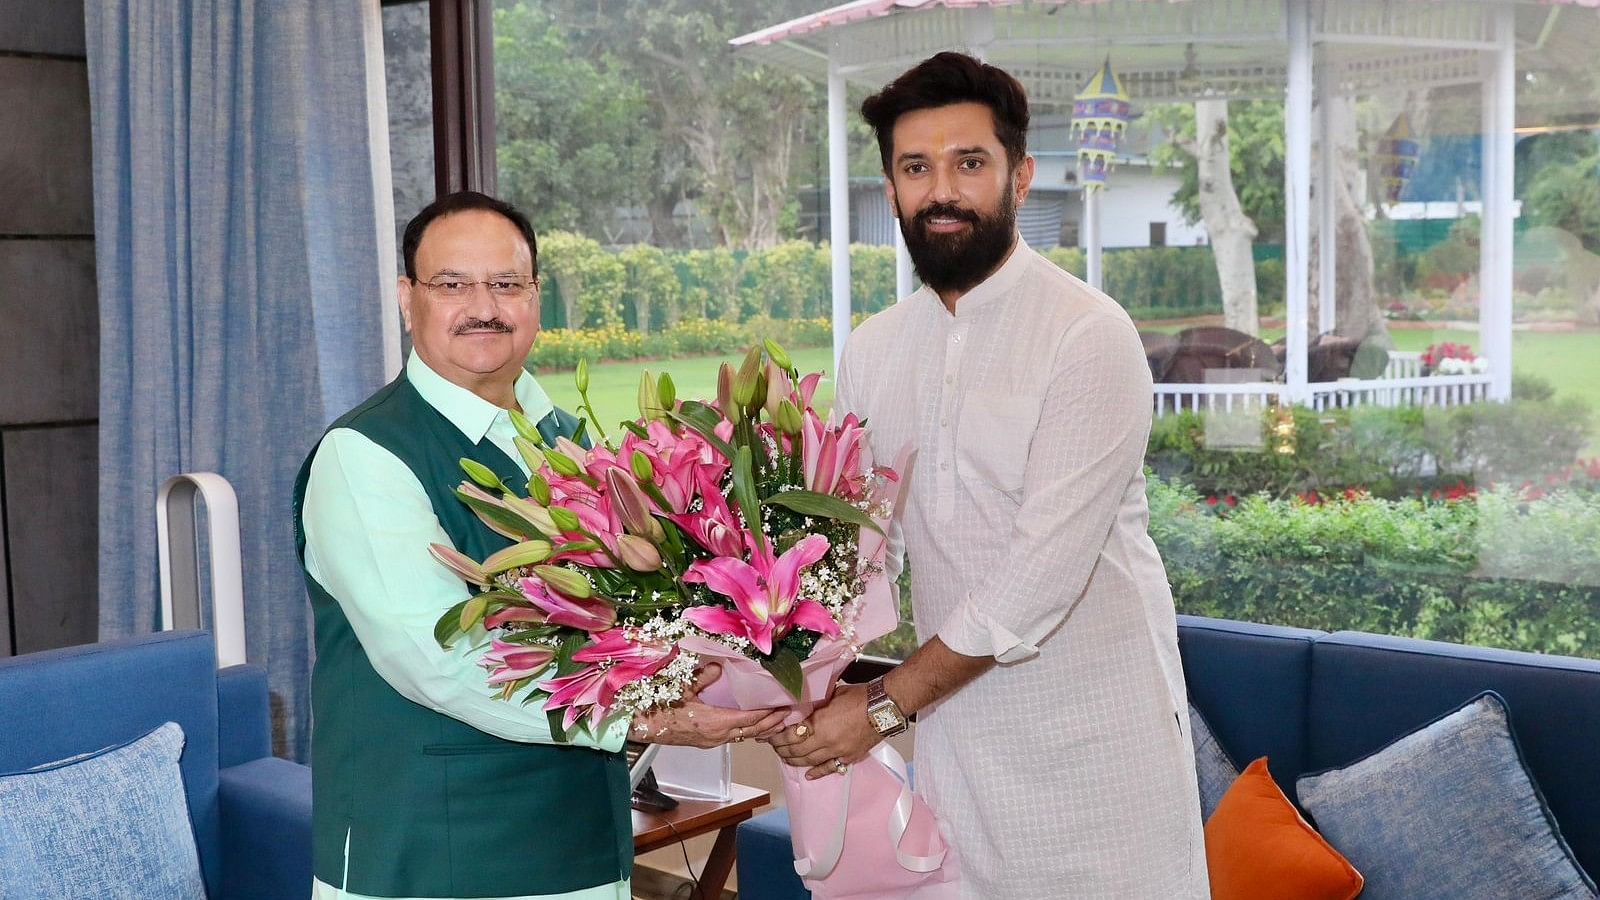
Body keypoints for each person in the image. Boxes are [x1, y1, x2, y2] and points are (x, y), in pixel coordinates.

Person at [767, 53, 1209, 898]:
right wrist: (777, 670)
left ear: (1020, 175)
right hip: (958, 748)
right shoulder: (875, 347)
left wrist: (882, 705)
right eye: (915, 167)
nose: (942, 191)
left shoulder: (1088, 335)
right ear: (892, 188)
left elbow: (1037, 578)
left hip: (1097, 760)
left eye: (969, 163)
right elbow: (856, 552)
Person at [294, 191, 784, 900]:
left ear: (534, 297)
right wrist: (645, 713)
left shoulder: (567, 438)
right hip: (436, 849)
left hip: (579, 836)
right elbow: (438, 661)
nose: (483, 306)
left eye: (506, 284)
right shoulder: (365, 456)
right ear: (409, 299)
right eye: (452, 284)